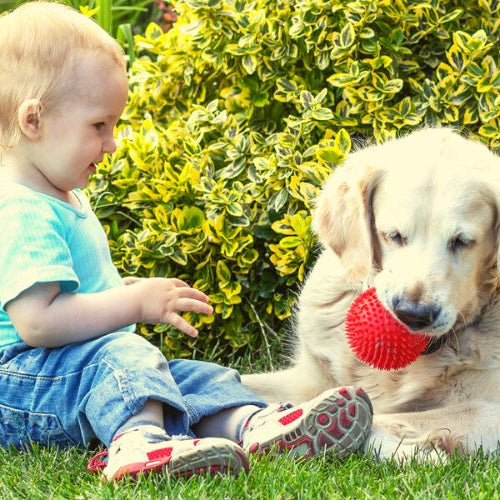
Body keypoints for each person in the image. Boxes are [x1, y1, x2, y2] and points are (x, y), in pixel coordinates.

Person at [0, 1, 373, 482]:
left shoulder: (57, 194)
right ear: (34, 121)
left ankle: (256, 425)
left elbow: (68, 298)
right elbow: (37, 323)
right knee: (128, 358)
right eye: (99, 125)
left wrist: (120, 289)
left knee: (185, 375)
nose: (112, 142)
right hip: (21, 386)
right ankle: (139, 446)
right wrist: (132, 303)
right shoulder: (21, 208)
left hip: (72, 376)